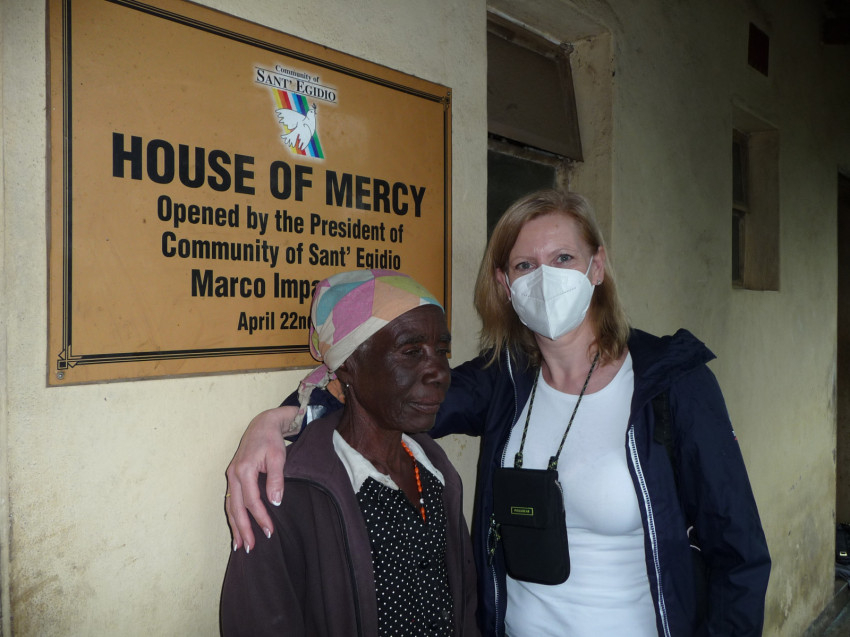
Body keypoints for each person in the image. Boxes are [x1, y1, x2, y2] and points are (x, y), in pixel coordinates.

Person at [224, 191, 771, 636]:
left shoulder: (671, 385)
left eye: (563, 258)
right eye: (525, 265)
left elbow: (739, 554)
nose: (545, 277)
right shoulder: (502, 383)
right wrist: (275, 422)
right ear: (506, 286)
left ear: (597, 266)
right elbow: (386, 396)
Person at [220, 269, 479, 637]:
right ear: (348, 366)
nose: (439, 372)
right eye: (411, 352)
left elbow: (463, 605)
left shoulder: (437, 473)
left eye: (441, 351)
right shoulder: (287, 495)